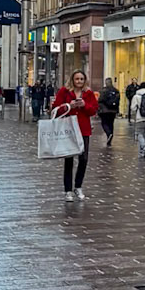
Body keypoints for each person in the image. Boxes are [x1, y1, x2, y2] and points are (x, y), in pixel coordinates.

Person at [52, 69, 97, 200]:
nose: (79, 81)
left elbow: (93, 110)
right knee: (69, 159)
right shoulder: (64, 91)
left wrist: (84, 105)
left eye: (81, 79)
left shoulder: (88, 93)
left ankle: (78, 186)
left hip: (83, 129)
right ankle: (68, 190)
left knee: (83, 159)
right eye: (77, 79)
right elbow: (56, 109)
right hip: (68, 129)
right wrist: (68, 106)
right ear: (72, 80)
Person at [97, 78, 121, 146]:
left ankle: (108, 133)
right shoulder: (116, 91)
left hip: (104, 110)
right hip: (113, 110)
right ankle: (110, 137)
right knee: (111, 123)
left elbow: (100, 100)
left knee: (104, 123)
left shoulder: (103, 90)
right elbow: (118, 101)